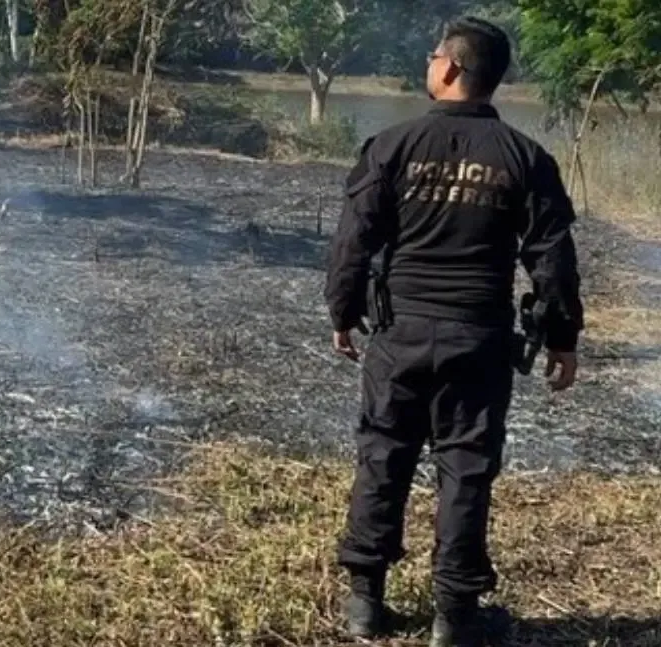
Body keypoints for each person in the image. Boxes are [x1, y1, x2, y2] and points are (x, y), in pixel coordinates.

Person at [322, 15, 584, 647]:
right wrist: (563, 337)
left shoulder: (392, 146)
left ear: (452, 69)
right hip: (479, 341)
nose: (428, 64)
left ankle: (365, 603)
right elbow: (552, 255)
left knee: (383, 456)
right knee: (465, 470)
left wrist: (342, 312)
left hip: (400, 336)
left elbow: (353, 243)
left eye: (434, 55)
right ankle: (454, 618)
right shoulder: (527, 158)